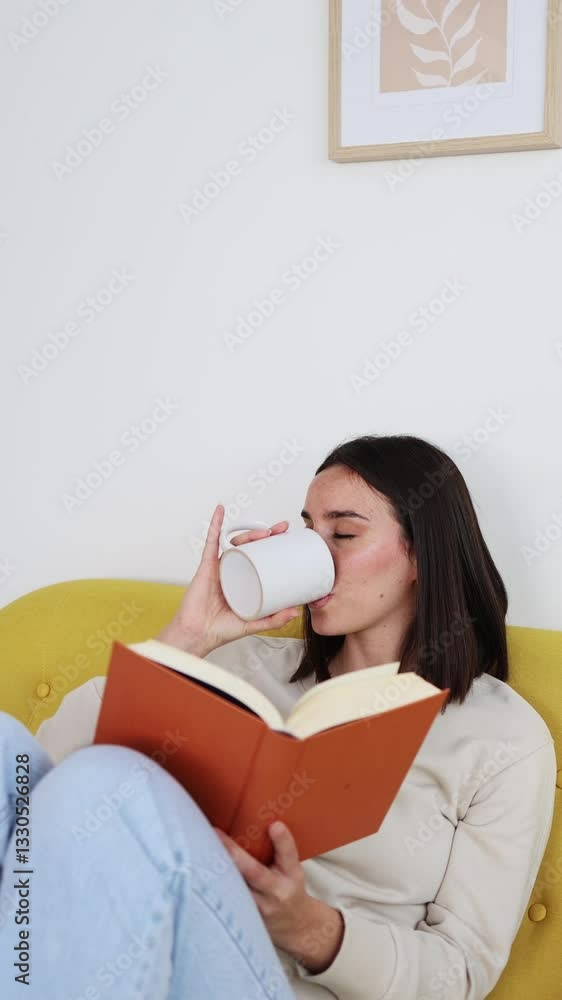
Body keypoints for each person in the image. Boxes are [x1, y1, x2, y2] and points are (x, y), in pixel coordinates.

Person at [0, 434, 556, 1000]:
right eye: (309, 533)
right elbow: (50, 774)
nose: (318, 554)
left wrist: (309, 927)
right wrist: (189, 637)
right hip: (158, 935)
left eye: (342, 533)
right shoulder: (240, 667)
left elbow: (458, 975)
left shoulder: (503, 738)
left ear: (420, 555)